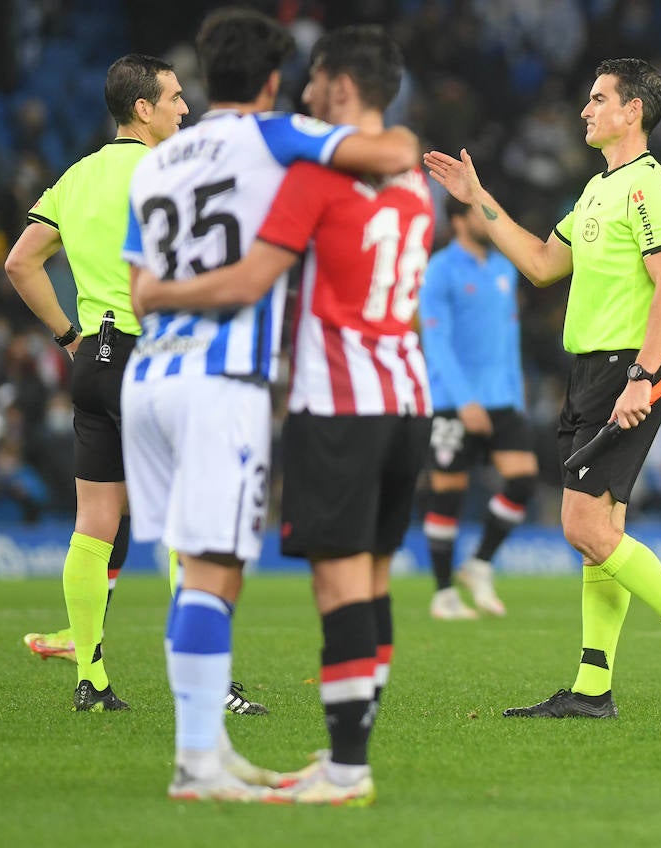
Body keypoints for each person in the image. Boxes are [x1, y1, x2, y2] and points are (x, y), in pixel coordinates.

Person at [121, 8, 417, 802]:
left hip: (148, 378)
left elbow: (136, 284)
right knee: (216, 569)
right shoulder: (277, 137)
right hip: (223, 379)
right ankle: (197, 764)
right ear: (278, 81)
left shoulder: (154, 161)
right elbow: (391, 149)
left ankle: (206, 748)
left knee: (196, 567)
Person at [424, 58, 661, 721]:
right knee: (603, 532)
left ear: (634, 112)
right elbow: (541, 263)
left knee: (582, 525)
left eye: (598, 100)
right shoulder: (599, 191)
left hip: (625, 369)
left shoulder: (651, 188)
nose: (585, 110)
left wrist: (643, 376)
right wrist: (478, 198)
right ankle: (593, 688)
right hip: (588, 372)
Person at [4, 53, 196, 711]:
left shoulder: (76, 177)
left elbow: (20, 262)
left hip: (94, 361)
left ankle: (91, 677)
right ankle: (204, 678)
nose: (184, 108)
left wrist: (67, 335)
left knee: (94, 522)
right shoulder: (169, 174)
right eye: (174, 97)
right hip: (151, 357)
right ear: (143, 108)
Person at [419, 196, 538, 620]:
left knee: (522, 480)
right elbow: (436, 341)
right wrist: (462, 398)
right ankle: (443, 593)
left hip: (502, 398)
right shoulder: (440, 270)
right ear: (457, 219)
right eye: (477, 211)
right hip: (456, 401)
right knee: (447, 492)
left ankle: (480, 562)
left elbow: (507, 341)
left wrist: (516, 396)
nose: (487, 218)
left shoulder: (504, 267)